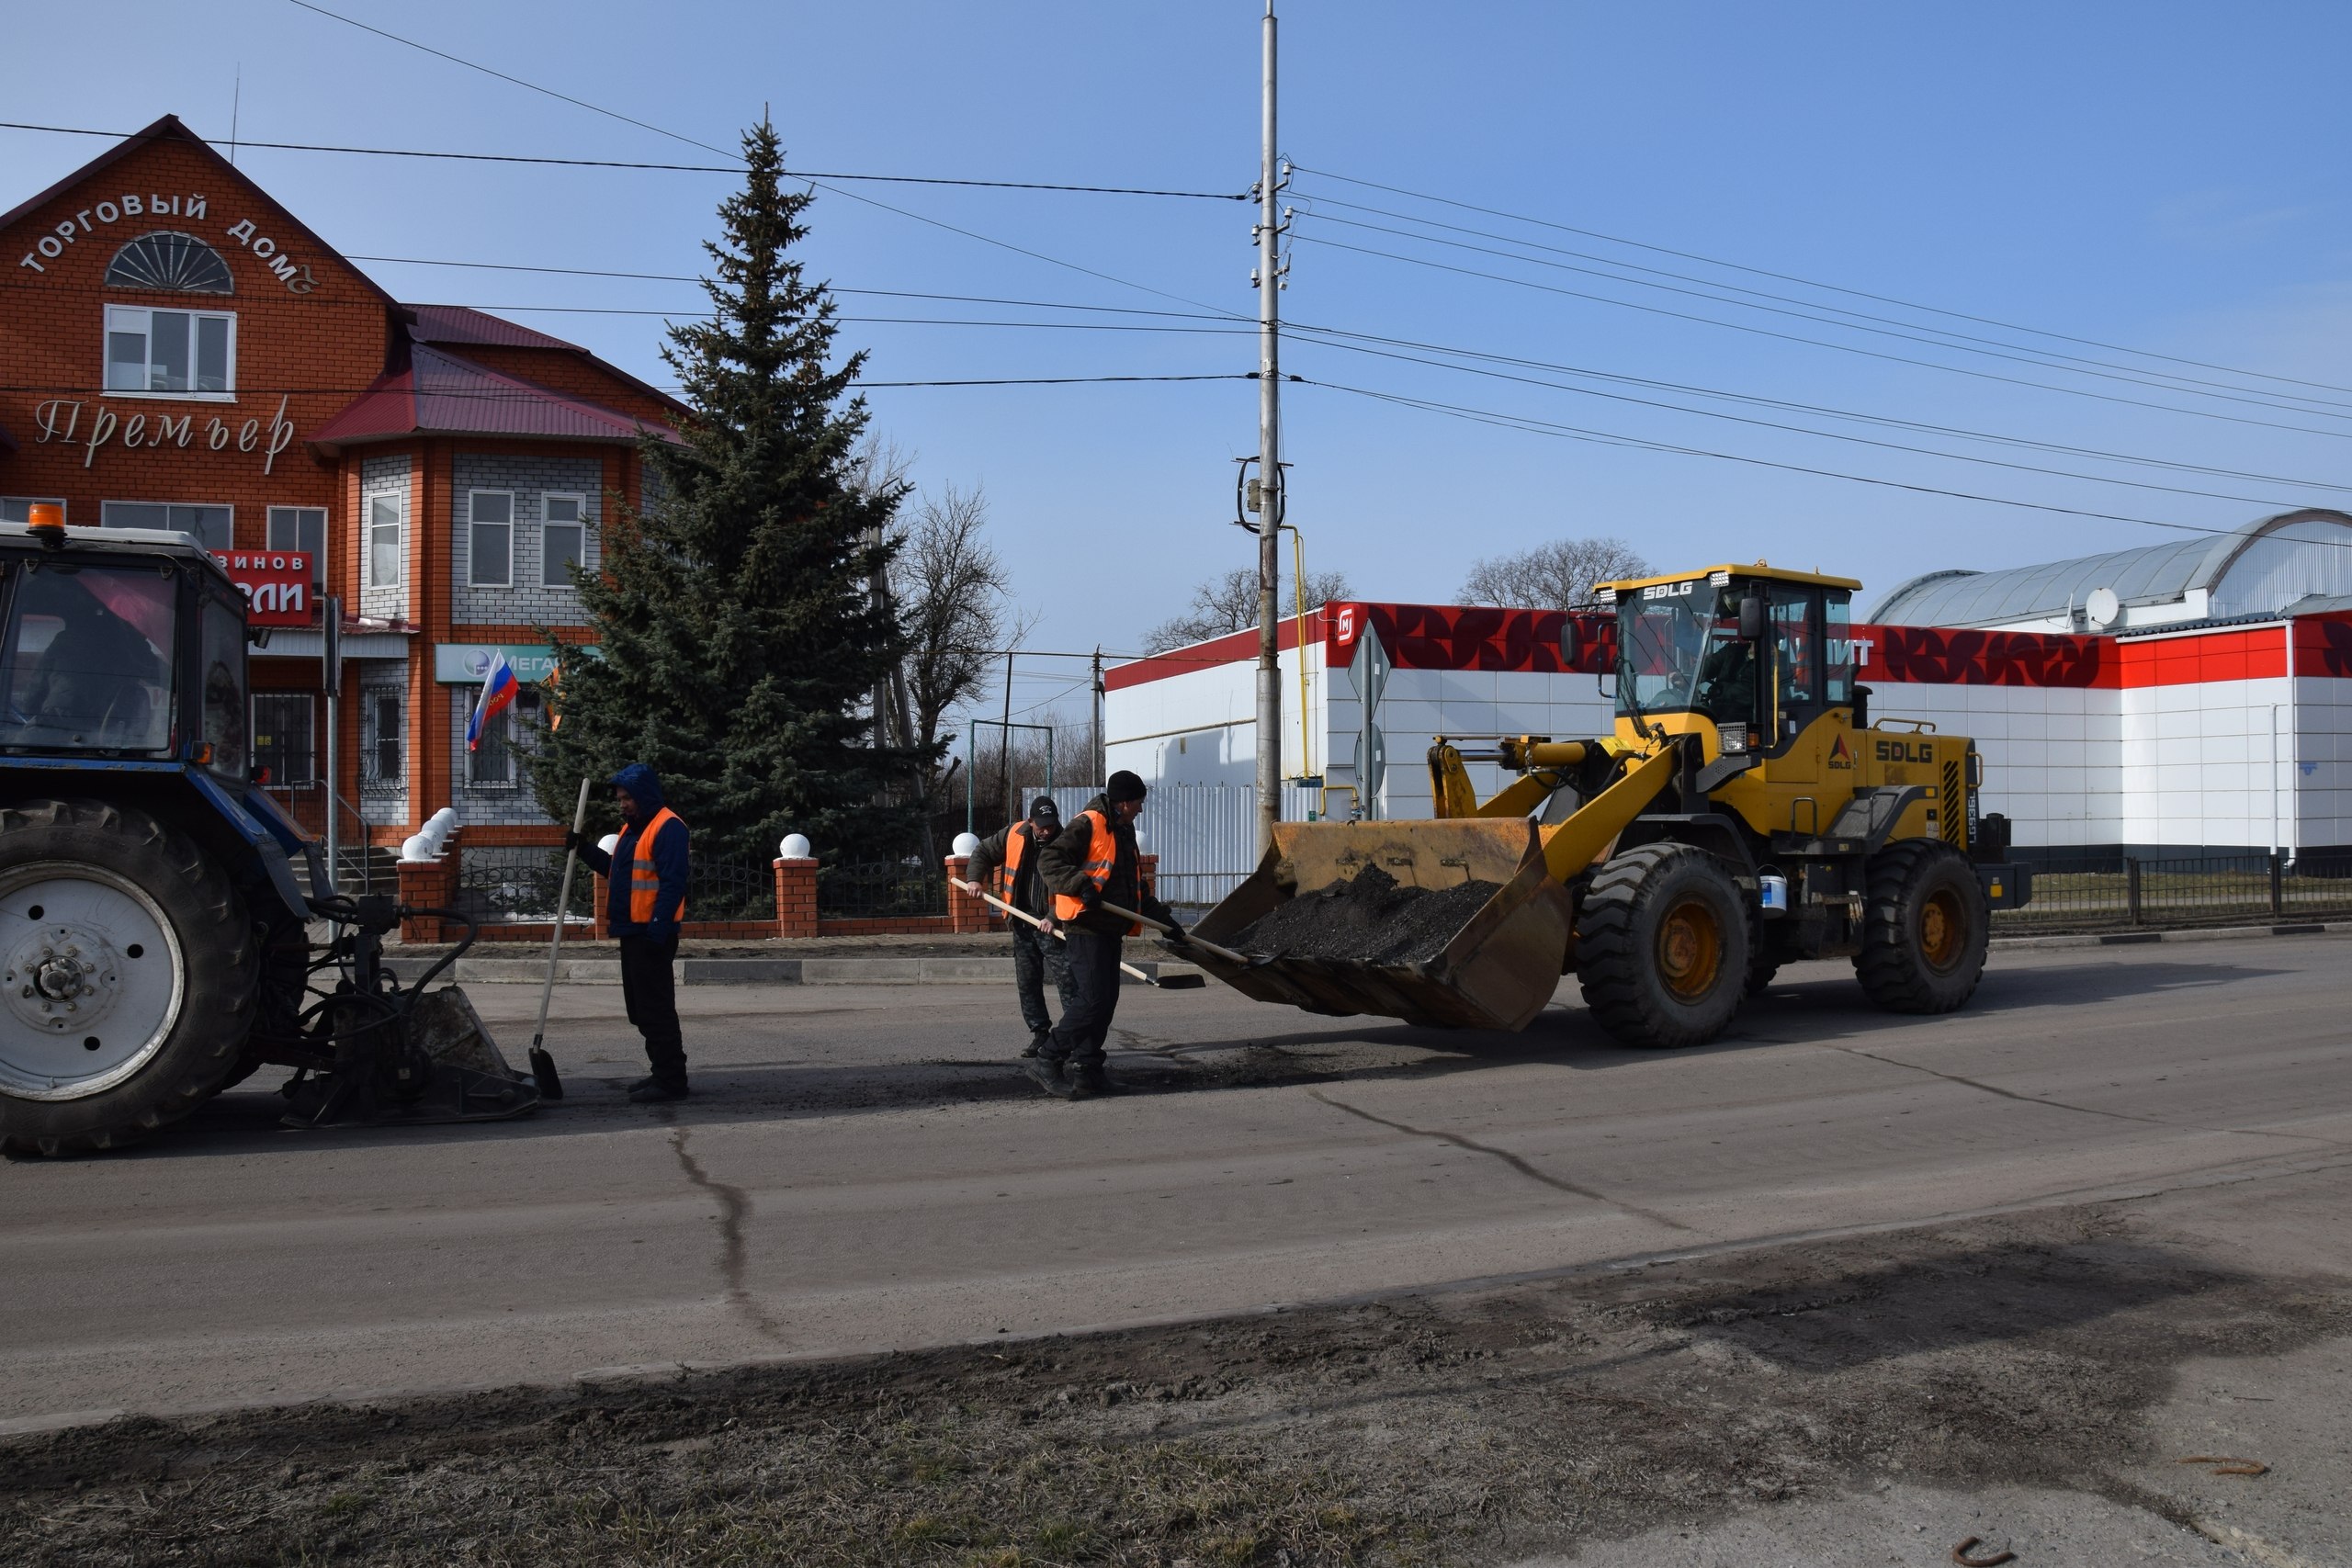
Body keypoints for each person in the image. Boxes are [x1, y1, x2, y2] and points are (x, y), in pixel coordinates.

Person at [1032, 770, 1181, 1100]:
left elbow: (1134, 888)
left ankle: (1088, 1071)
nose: (1141, 809)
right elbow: (1050, 860)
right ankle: (1048, 1059)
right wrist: (1081, 886)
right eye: (1139, 802)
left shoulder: (1122, 831)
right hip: (1086, 927)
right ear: (1124, 802)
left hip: (1109, 929)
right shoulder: (1089, 823)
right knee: (1092, 1001)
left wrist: (1167, 921)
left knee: (1105, 1002)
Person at [569, 763, 691, 1102]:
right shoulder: (633, 830)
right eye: (620, 799)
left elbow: (673, 884)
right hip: (633, 932)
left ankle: (671, 1081)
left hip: (651, 934)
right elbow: (617, 872)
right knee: (640, 1010)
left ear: (643, 796)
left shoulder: (668, 827)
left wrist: (657, 928)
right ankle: (662, 1074)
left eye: (627, 799)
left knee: (656, 1009)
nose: (622, 804)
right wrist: (585, 850)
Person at [966, 796, 1080, 1057]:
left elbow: (1071, 886)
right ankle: (1040, 1034)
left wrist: (1053, 917)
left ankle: (1074, 1038)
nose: (1047, 830)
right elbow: (983, 851)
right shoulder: (1014, 834)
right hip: (1022, 922)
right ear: (1030, 821)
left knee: (1068, 981)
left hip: (1052, 925)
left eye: (1051, 825)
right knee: (1028, 982)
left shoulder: (1066, 843)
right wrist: (974, 879)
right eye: (1041, 826)